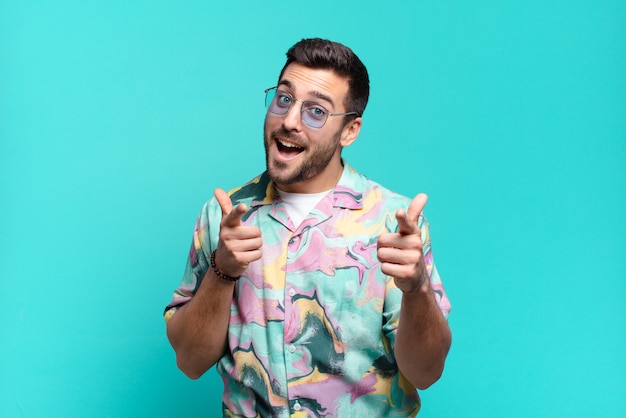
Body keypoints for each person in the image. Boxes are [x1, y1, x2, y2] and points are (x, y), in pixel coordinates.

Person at [164, 38, 452, 417]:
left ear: (349, 131)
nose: (290, 120)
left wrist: (415, 289)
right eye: (284, 99)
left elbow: (426, 372)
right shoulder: (225, 215)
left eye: (316, 111)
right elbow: (190, 361)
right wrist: (222, 270)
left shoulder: (392, 224)